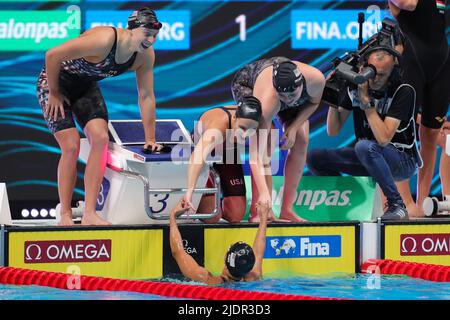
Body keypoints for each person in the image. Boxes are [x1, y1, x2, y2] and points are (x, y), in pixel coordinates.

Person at [36, 7, 163, 226]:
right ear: (132, 29)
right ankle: (65, 214)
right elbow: (52, 55)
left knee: (101, 138)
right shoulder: (104, 39)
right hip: (56, 83)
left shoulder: (145, 56)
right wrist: (55, 93)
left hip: (85, 87)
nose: (150, 40)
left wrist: (150, 138)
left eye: (154, 35)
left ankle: (90, 213)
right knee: (71, 146)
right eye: (146, 33)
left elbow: (146, 97)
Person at [307, 49, 422, 220]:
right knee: (315, 158)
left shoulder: (403, 91)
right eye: (373, 73)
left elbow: (383, 138)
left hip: (402, 160)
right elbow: (333, 130)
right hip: (368, 156)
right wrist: (332, 94)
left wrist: (366, 102)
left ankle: (397, 205)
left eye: (382, 74)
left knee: (364, 146)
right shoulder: (355, 86)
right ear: (363, 68)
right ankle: (345, 202)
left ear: (393, 71)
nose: (376, 79)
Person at [231, 57, 326, 222]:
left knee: (301, 139)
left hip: (281, 92)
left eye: (292, 95)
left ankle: (287, 210)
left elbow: (313, 103)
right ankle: (258, 212)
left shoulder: (316, 79)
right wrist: (265, 193)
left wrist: (294, 127)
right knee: (266, 144)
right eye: (284, 96)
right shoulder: (268, 101)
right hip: (248, 82)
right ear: (277, 91)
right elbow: (255, 158)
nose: (288, 99)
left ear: (301, 84)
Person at [388, 0, 450, 216]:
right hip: (412, 60)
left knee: (432, 133)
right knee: (402, 131)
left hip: (441, 61)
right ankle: (404, 201)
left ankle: (422, 202)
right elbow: (408, 3)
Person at [182, 96, 264, 223]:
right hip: (203, 156)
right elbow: (197, 157)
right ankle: (205, 203)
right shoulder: (218, 127)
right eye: (242, 128)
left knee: (236, 215)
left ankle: (214, 200)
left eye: (251, 130)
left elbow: (262, 161)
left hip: (228, 152)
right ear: (235, 118)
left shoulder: (261, 123)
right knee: (212, 216)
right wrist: (190, 191)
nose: (245, 134)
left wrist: (265, 194)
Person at [169, 199, 269, 284]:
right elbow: (259, 253)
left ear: (226, 258)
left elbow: (178, 252)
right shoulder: (254, 276)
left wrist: (173, 216)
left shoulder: (208, 280)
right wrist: (263, 218)